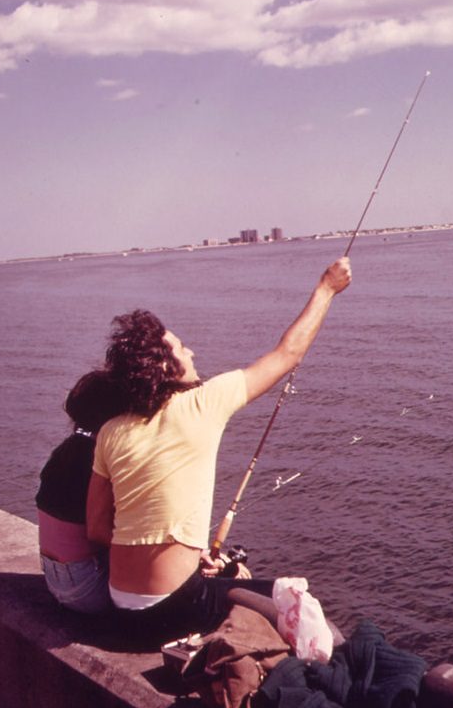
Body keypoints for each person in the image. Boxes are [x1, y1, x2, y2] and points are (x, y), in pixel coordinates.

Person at [86, 257, 352, 642]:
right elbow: (287, 354)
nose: (191, 351)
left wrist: (176, 554)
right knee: (305, 610)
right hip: (176, 608)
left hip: (121, 608)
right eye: (181, 347)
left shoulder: (110, 431)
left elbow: (96, 529)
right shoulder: (202, 402)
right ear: (165, 368)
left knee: (227, 583)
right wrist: (327, 288)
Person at [36, 370, 126, 613]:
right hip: (88, 588)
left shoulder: (65, 451)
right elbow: (100, 533)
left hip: (56, 580)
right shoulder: (98, 462)